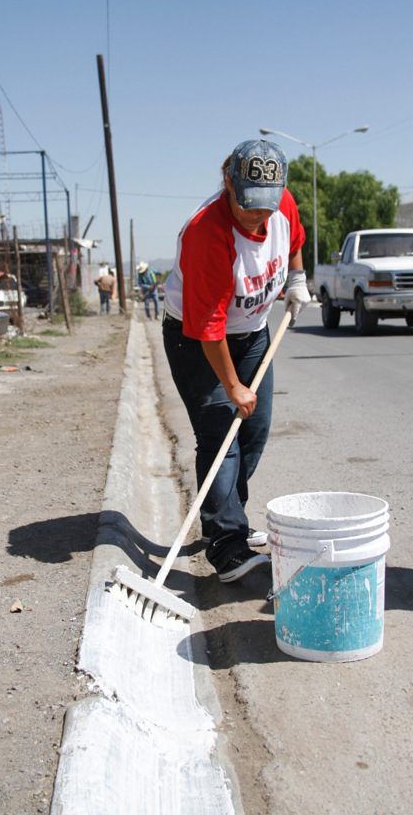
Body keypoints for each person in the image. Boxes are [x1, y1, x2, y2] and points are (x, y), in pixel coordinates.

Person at [162, 139, 310, 583]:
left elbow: (296, 240)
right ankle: (225, 544)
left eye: (265, 207)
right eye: (247, 206)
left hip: (252, 334)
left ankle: (231, 519)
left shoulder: (279, 202)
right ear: (228, 181)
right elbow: (208, 327)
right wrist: (231, 385)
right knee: (221, 430)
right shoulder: (208, 233)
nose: (258, 215)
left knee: (255, 430)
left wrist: (297, 279)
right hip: (197, 341)